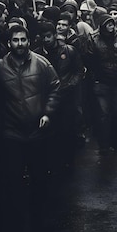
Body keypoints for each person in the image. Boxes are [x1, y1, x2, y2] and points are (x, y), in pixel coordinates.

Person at [0, 25, 61, 232]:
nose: (19, 44)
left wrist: (47, 113)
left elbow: (54, 88)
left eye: (23, 40)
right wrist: (0, 128)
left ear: (29, 41)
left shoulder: (41, 64)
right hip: (12, 132)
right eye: (15, 40)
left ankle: (39, 217)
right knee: (12, 180)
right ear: (9, 43)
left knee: (40, 177)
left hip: (38, 131)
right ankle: (17, 222)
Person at [35, 21, 85, 170]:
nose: (46, 40)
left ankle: (68, 160)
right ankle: (53, 161)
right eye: (43, 37)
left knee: (67, 129)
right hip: (46, 98)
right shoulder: (37, 54)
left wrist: (70, 85)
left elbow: (79, 70)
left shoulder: (69, 51)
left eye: (49, 36)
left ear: (55, 35)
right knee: (50, 131)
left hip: (66, 97)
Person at [86, 13, 117, 153]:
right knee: (103, 114)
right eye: (107, 24)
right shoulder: (93, 39)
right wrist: (94, 81)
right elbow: (89, 62)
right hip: (102, 82)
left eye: (112, 23)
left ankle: (115, 138)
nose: (111, 26)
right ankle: (104, 142)